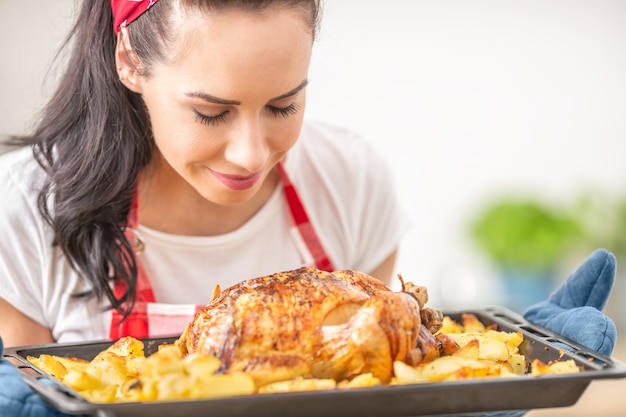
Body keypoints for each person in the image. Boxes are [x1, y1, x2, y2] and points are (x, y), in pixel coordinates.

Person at [0, 1, 617, 416]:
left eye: (282, 106)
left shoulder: (349, 180)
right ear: (130, 60)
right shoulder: (25, 209)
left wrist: (485, 390)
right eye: (210, 111)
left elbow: (371, 391)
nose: (250, 154)